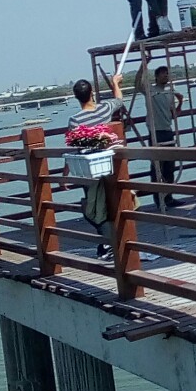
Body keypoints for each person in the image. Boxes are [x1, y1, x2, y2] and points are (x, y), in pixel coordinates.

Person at [66, 73, 124, 260]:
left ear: (76, 97)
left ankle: (108, 243)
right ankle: (109, 243)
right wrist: (115, 83)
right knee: (110, 205)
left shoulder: (75, 120)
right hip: (109, 166)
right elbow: (119, 100)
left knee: (93, 209)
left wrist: (65, 173)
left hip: (89, 170)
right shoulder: (104, 109)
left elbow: (73, 148)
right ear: (91, 93)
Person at [145, 65, 184, 206]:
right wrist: (143, 66)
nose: (165, 76)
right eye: (163, 74)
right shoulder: (150, 91)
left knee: (169, 167)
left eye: (167, 74)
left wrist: (180, 103)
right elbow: (139, 83)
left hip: (168, 131)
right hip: (156, 132)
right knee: (157, 168)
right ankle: (159, 200)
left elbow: (173, 114)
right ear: (156, 76)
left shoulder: (169, 93)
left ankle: (168, 198)